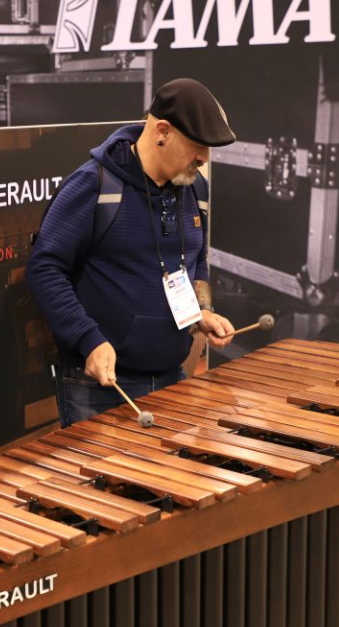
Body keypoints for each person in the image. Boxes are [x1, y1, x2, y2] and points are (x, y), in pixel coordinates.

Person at [27, 78, 237, 426]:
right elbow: (45, 268)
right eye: (198, 145)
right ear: (163, 131)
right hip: (100, 387)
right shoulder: (94, 185)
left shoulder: (194, 187)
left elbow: (196, 258)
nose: (204, 158)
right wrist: (89, 340)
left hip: (171, 378)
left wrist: (202, 310)